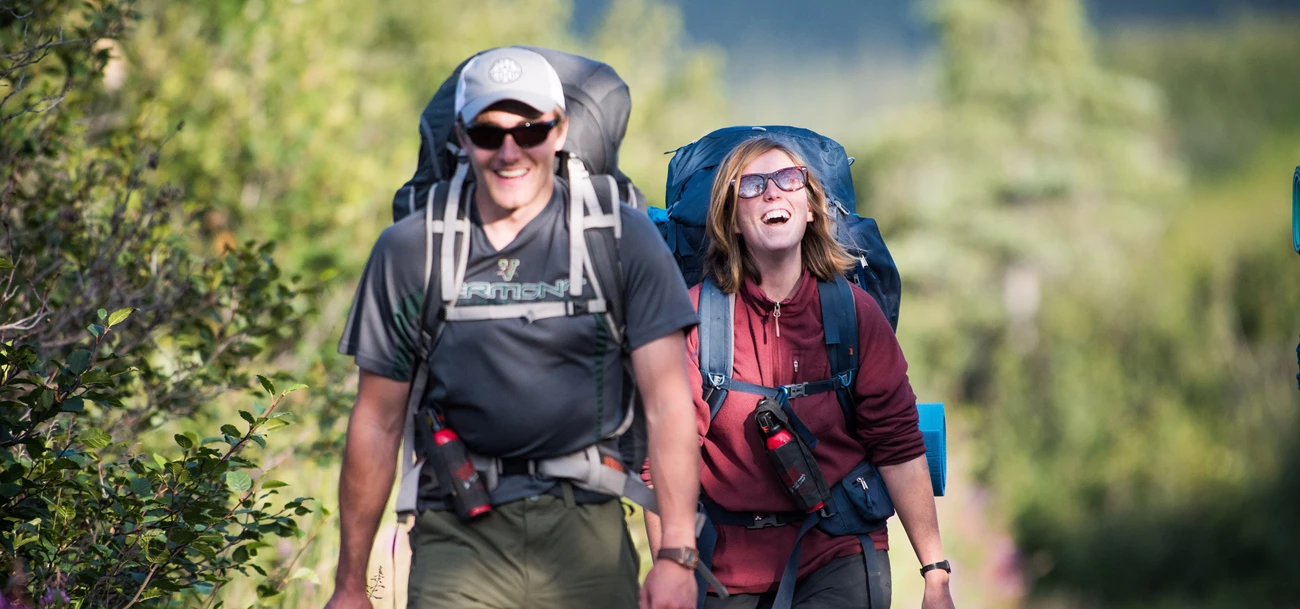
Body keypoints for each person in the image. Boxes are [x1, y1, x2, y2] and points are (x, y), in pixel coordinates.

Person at [324, 48, 701, 609]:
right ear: (461, 135)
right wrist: (350, 586)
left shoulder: (620, 238)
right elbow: (376, 421)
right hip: (456, 533)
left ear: (560, 129)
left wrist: (676, 555)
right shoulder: (411, 249)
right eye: (487, 131)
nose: (509, 151)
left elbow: (668, 404)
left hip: (587, 532)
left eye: (529, 130)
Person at [648, 136, 956, 609]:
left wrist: (935, 575)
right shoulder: (692, 324)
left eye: (789, 180)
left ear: (810, 208)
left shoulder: (855, 315)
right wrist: (671, 566)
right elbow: (664, 459)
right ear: (730, 218)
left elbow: (897, 443)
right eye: (751, 185)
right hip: (724, 561)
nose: (773, 193)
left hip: (839, 547)